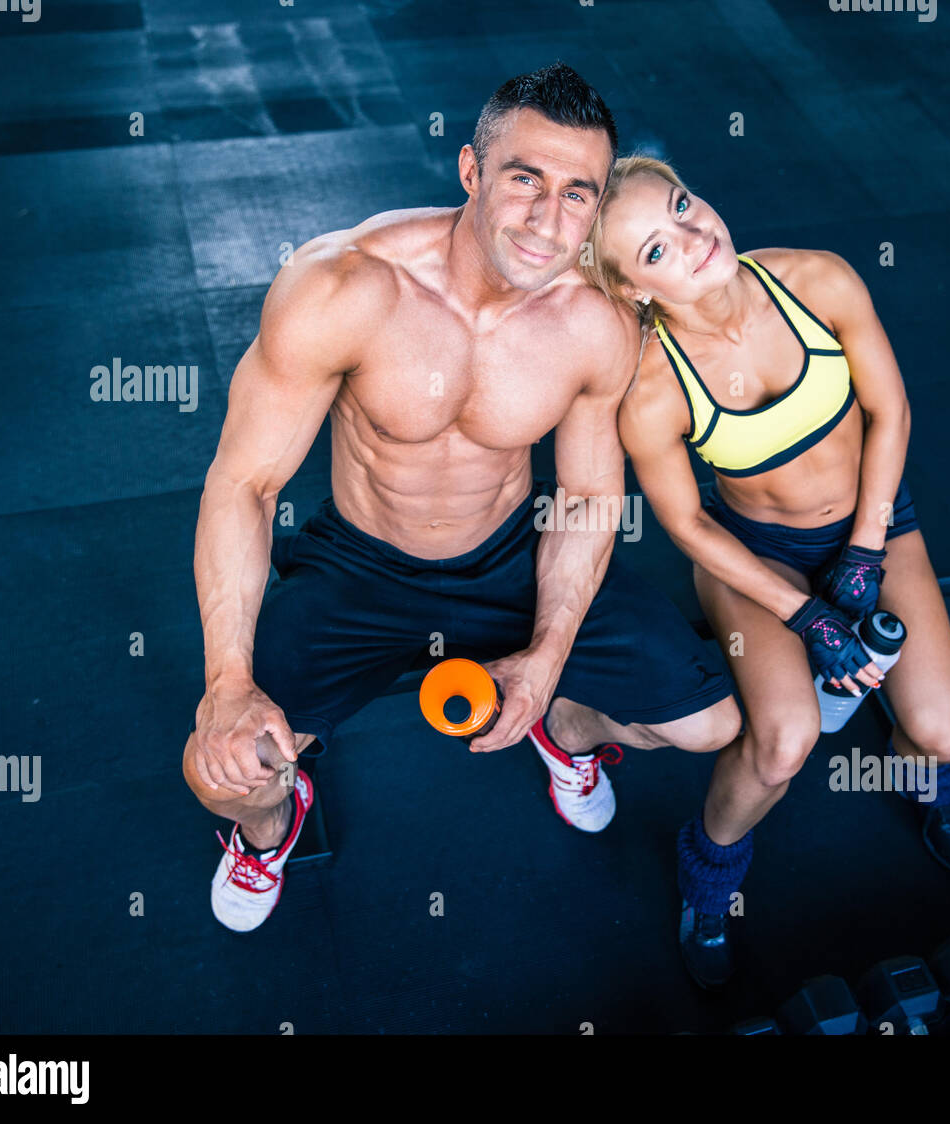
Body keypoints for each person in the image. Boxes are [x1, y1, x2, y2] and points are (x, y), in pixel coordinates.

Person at [182, 68, 739, 933]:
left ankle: (572, 730)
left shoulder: (595, 321)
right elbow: (244, 485)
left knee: (709, 724)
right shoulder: (343, 287)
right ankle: (269, 833)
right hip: (360, 566)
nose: (549, 220)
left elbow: (589, 499)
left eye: (578, 195)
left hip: (510, 555)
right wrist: (227, 684)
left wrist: (549, 656)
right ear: (472, 172)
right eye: (527, 180)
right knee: (221, 770)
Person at [581, 155, 950, 989]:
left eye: (684, 206)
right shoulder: (653, 391)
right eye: (654, 250)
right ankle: (708, 879)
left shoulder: (819, 282)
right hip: (752, 559)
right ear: (635, 292)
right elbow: (686, 522)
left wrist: (868, 550)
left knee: (940, 738)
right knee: (783, 744)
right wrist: (806, 617)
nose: (692, 239)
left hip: (876, 523)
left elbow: (889, 410)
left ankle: (925, 778)